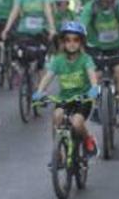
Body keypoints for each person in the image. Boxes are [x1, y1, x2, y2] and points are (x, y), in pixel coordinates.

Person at [32, 22, 99, 156]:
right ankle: (57, 153)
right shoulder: (58, 60)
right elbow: (47, 77)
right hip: (64, 98)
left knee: (77, 123)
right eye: (68, 40)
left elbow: (92, 74)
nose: (71, 43)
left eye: (76, 40)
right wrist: (40, 91)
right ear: (63, 42)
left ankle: (88, 140)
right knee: (57, 116)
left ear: (81, 42)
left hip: (83, 99)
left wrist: (94, 88)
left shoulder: (86, 59)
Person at [79, 0, 119, 122]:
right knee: (95, 75)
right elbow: (82, 26)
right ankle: (95, 107)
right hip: (97, 48)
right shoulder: (91, 7)